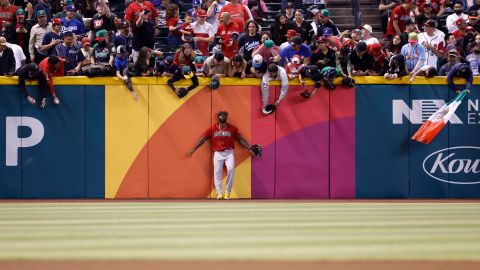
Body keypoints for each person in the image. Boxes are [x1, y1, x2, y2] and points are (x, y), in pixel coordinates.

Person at [188, 110, 259, 200]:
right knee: (217, 173)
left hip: (229, 153)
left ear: (226, 117)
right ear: (218, 117)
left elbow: (240, 139)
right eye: (220, 115)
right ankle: (219, 193)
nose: (222, 116)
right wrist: (194, 149)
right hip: (218, 153)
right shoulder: (212, 129)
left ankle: (227, 192)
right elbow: (203, 138)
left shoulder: (233, 128)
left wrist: (249, 147)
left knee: (231, 170)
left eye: (224, 115)